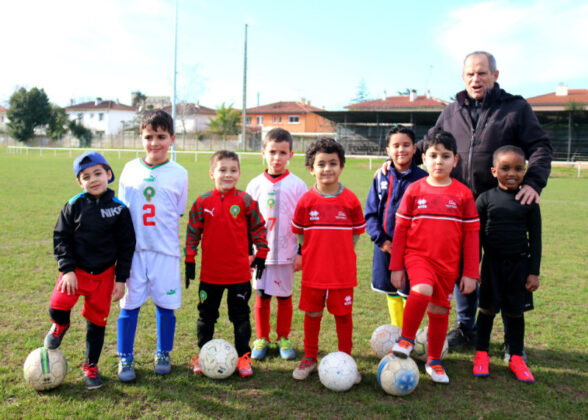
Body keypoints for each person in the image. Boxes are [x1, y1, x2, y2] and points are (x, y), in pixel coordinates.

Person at [384, 51, 552, 350]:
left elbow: (540, 145)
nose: (476, 79)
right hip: (459, 207)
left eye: (482, 73)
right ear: (463, 78)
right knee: (463, 267)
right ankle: (466, 328)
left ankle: (514, 339)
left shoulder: (515, 108)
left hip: (501, 208)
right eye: (470, 74)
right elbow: (430, 142)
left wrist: (534, 182)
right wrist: (401, 159)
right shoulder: (451, 111)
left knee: (505, 269)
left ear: (495, 76)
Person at [390, 131, 480, 384]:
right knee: (422, 288)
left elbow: (472, 236)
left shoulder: (463, 195)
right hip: (418, 257)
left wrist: (471, 272)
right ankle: (406, 339)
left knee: (440, 309)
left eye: (445, 156)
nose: (438, 161)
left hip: (448, 264)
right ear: (424, 159)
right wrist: (396, 266)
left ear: (456, 160)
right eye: (433, 155)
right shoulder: (414, 190)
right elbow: (400, 231)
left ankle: (434, 361)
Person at [46, 151, 135, 389]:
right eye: (86, 176)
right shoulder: (74, 205)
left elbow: (127, 246)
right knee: (56, 307)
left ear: (108, 174)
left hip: (104, 277)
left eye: (98, 173)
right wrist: (67, 270)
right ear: (79, 182)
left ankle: (90, 366)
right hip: (76, 273)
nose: (93, 179)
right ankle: (61, 325)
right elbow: (61, 238)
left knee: (96, 325)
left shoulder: (119, 209)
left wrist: (120, 279)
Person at [116, 110, 188, 381]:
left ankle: (163, 352)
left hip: (165, 252)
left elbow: (177, 211)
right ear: (141, 138)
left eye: (161, 136)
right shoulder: (129, 169)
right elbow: (123, 212)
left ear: (172, 138)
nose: (154, 142)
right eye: (148, 136)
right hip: (133, 252)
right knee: (129, 305)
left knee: (165, 304)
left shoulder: (179, 173)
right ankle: (125, 357)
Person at [186, 150, 269, 378]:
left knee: (240, 316)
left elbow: (258, 227)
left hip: (239, 274)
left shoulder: (245, 201)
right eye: (223, 170)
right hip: (210, 274)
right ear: (212, 173)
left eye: (233, 170)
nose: (228, 174)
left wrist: (261, 252)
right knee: (206, 316)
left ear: (239, 173)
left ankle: (243, 358)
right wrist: (190, 257)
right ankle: (203, 355)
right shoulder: (202, 201)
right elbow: (193, 230)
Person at [291, 137, 366, 381]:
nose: (327, 169)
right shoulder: (305, 201)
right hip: (314, 272)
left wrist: (343, 253)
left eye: (333, 163)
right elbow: (300, 234)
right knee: (312, 313)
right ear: (311, 169)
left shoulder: (351, 200)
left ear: (342, 166)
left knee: (343, 315)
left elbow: (356, 233)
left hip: (342, 272)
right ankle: (310, 357)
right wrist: (311, 253)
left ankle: (347, 359)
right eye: (321, 164)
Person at [473, 145, 541, 383]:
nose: (512, 173)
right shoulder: (485, 199)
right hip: (491, 265)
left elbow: (536, 239)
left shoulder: (529, 201)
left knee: (515, 313)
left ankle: (515, 357)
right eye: (505, 168)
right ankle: (481, 354)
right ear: (494, 171)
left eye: (518, 169)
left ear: (524, 171)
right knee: (487, 310)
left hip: (519, 267)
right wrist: (474, 266)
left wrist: (533, 272)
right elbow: (476, 237)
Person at [246, 128, 307, 360]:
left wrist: (300, 252)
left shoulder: (298, 185)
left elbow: (303, 225)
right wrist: (249, 252)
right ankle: (262, 338)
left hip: (287, 253)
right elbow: (246, 223)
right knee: (261, 295)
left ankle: (283, 337)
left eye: (282, 152)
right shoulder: (254, 185)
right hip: (260, 254)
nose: (277, 158)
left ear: (291, 154)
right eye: (272, 152)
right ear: (263, 152)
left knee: (284, 296)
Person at [365, 125, 427, 328]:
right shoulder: (381, 176)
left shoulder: (423, 180)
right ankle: (397, 332)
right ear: (388, 151)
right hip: (385, 246)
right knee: (391, 291)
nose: (401, 150)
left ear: (415, 148)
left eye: (406, 145)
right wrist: (381, 240)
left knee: (410, 291)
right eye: (396, 146)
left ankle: (409, 334)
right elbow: (371, 212)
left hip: (412, 249)